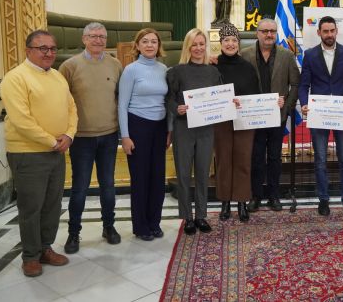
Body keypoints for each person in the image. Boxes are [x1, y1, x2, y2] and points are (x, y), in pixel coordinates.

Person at [1, 30, 78, 277]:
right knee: (31, 207)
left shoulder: (57, 77)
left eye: (52, 48)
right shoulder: (15, 78)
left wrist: (69, 135)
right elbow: (21, 120)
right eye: (42, 48)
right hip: (28, 153)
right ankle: (30, 256)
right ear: (28, 50)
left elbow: (71, 108)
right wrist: (51, 141)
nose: (49, 53)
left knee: (52, 205)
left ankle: (45, 248)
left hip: (56, 150)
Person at [59, 23, 123, 254]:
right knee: (80, 188)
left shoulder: (115, 64)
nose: (98, 40)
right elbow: (61, 101)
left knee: (108, 185)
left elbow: (121, 99)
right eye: (93, 36)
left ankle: (109, 227)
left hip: (108, 135)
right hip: (82, 138)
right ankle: (73, 233)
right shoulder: (70, 66)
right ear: (84, 38)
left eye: (102, 37)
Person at [298, 15, 343, 218]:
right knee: (320, 160)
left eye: (332, 30)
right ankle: (323, 200)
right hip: (319, 114)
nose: (329, 34)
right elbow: (304, 85)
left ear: (336, 31)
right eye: (325, 31)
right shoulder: (309, 55)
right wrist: (304, 104)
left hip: (342, 114)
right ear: (319, 33)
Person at [166, 29, 222, 235]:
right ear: (188, 47)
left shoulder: (213, 72)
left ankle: (201, 215)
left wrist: (230, 103)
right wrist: (176, 108)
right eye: (194, 44)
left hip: (206, 129)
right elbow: (170, 98)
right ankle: (187, 217)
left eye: (201, 44)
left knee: (202, 173)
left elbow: (220, 97)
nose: (198, 48)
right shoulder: (177, 71)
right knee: (182, 173)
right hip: (184, 128)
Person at [241, 18, 300, 212]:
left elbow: (295, 84)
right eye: (265, 31)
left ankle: (274, 196)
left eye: (272, 31)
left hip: (278, 117)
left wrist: (288, 107)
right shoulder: (245, 55)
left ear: (276, 33)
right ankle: (256, 196)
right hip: (254, 117)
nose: (269, 35)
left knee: (275, 157)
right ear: (257, 33)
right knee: (256, 157)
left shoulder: (286, 55)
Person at [118, 28, 169, 241]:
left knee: (158, 178)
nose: (150, 45)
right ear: (137, 45)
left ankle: (154, 223)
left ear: (159, 46)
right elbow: (121, 105)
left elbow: (167, 101)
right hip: (137, 126)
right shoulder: (131, 70)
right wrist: (125, 136)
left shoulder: (164, 69)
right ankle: (141, 226)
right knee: (140, 179)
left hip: (160, 127)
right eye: (145, 41)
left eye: (154, 41)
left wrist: (168, 131)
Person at [213, 23, 260, 222]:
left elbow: (256, 94)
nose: (230, 44)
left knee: (242, 160)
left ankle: (241, 202)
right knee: (224, 160)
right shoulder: (212, 66)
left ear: (238, 44)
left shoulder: (248, 67)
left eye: (234, 40)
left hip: (244, 121)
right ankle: (225, 203)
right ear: (220, 43)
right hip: (221, 121)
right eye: (226, 40)